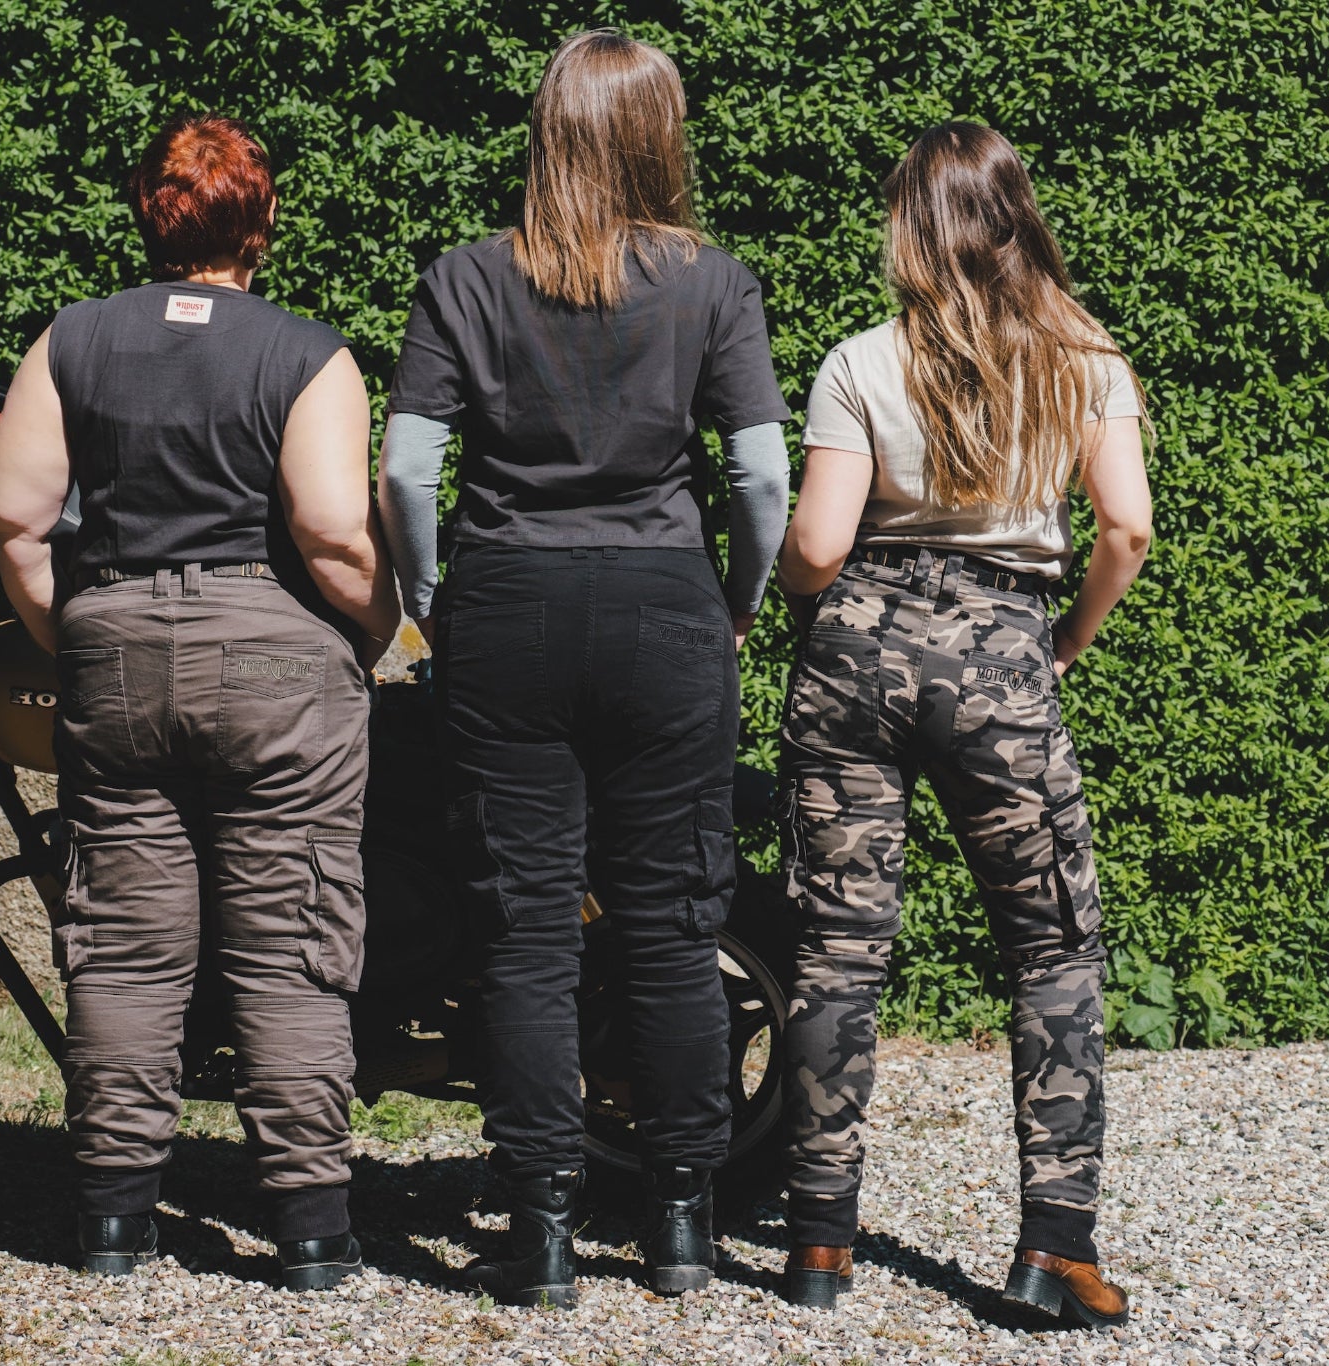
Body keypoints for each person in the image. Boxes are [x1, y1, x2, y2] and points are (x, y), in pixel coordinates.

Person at [379, 30, 791, 1306]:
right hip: (667, 612)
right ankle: (677, 1224)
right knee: (673, 927)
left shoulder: (465, 277)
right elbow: (761, 478)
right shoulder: (713, 284)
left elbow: (403, 470)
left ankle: (542, 1226)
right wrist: (731, 601)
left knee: (521, 928)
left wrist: (432, 600)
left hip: (506, 610)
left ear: (547, 133)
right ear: (659, 136)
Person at [0, 114, 400, 1285]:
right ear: (258, 222)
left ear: (148, 216)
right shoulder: (307, 353)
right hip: (276, 665)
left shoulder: (70, 340)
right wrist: (377, 631)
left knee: (121, 946)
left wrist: (80, 638)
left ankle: (113, 1219)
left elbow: (14, 519)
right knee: (290, 943)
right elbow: (330, 533)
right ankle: (312, 1229)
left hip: (113, 648)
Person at [774, 121, 1153, 1327]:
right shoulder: (1082, 358)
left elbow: (818, 547)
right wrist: (1060, 643)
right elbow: (1125, 530)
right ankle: (1052, 1253)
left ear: (912, 230)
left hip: (855, 649)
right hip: (1002, 646)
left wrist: (790, 589)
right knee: (1050, 950)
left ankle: (817, 1248)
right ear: (1016, 216)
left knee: (836, 951)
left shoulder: (856, 360)